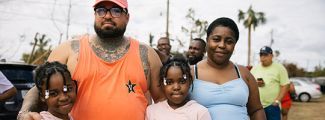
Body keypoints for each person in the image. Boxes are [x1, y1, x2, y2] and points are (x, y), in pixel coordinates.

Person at [18, 0, 165, 120]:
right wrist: (24, 113)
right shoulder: (68, 51)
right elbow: (39, 89)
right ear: (95, 15)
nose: (107, 16)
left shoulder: (147, 54)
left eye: (116, 10)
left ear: (127, 16)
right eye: (101, 10)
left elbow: (163, 102)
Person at [189, 17, 266, 120]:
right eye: (216, 39)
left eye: (229, 41)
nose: (222, 45)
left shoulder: (244, 73)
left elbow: (256, 110)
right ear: (207, 40)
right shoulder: (191, 72)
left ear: (234, 45)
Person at [146, 57, 211, 120]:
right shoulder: (152, 111)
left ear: (190, 82)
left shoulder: (200, 112)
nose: (176, 87)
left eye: (182, 81)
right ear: (162, 85)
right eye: (169, 82)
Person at [251, 46, 290, 120]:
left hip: (272, 106)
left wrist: (277, 101)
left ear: (271, 56)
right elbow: (250, 83)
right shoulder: (255, 68)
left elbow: (286, 84)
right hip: (257, 106)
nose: (263, 57)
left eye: (265, 55)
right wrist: (256, 83)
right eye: (261, 55)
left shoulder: (279, 68)